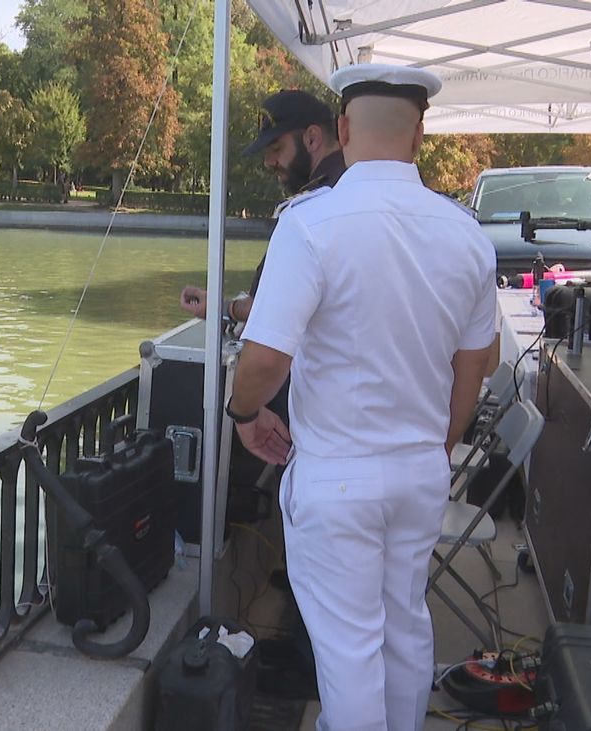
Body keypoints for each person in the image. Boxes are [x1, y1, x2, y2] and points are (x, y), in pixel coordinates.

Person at [226, 64, 497, 730]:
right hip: (419, 470)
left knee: (349, 648)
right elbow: (478, 363)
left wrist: (242, 414)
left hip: (338, 475)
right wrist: (439, 446)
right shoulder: (465, 233)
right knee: (404, 626)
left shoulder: (312, 223)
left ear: (343, 130)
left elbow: (264, 358)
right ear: (421, 133)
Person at [179, 89, 345, 324]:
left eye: (277, 148)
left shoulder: (310, 210)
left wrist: (225, 307)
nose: (268, 162)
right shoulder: (358, 187)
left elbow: (269, 309)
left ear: (312, 138)